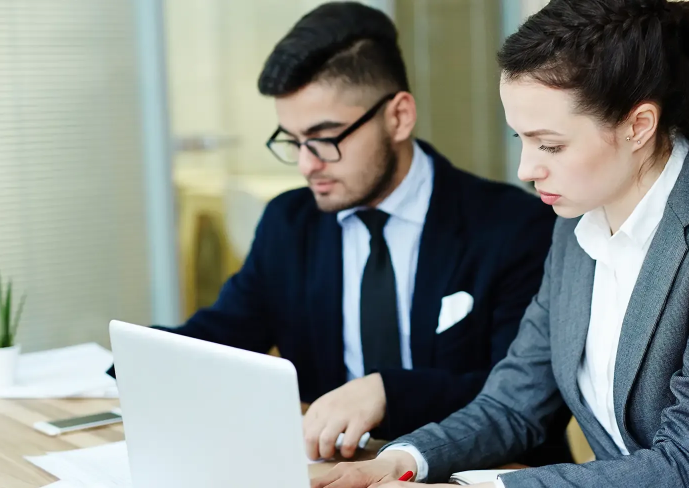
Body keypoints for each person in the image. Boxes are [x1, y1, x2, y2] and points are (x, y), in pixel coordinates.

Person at [309, 1, 689, 488]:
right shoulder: (576, 224)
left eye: (551, 144)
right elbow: (513, 402)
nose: (527, 168)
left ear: (639, 124)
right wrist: (400, 461)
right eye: (520, 138)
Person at [107, 2, 565, 463]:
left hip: (480, 476)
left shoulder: (513, 226)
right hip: (336, 470)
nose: (307, 164)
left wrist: (386, 393)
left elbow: (528, 395)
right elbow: (225, 334)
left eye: (325, 138)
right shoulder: (289, 222)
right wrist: (132, 362)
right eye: (293, 141)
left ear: (399, 116)